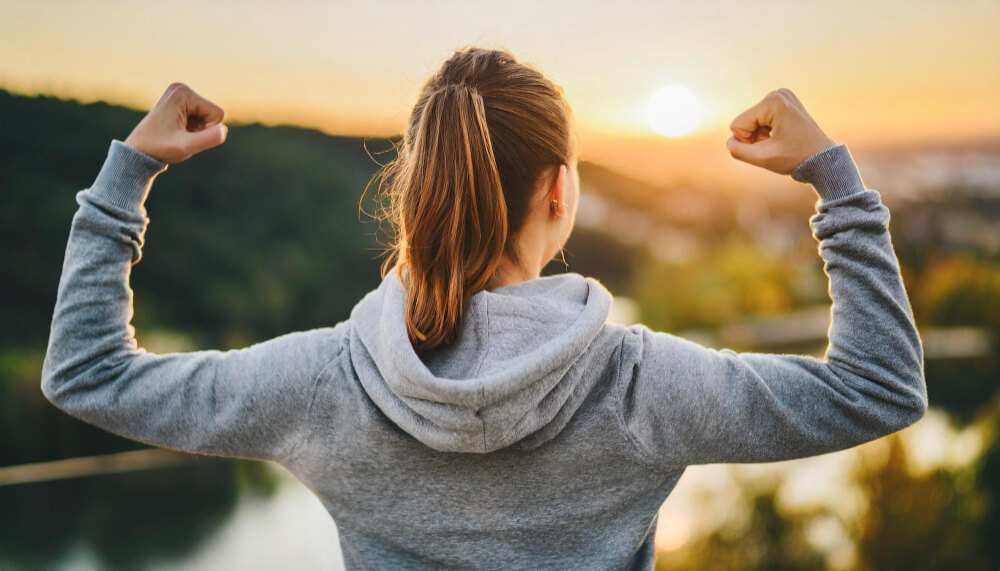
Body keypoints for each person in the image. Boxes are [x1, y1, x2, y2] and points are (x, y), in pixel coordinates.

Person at [41, 47, 927, 569]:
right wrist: (832, 180)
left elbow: (86, 373)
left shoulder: (323, 383)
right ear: (558, 191)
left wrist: (129, 171)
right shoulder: (638, 384)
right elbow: (879, 386)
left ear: (418, 193)